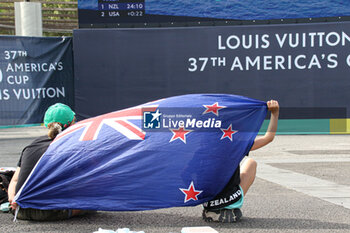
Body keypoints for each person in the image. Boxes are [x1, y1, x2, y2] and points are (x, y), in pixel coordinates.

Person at [202, 100, 279, 223]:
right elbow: (268, 137)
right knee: (251, 162)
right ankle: (230, 208)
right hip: (233, 199)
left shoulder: (201, 147)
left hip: (209, 201)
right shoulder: (237, 145)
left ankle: (212, 209)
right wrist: (275, 114)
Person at [7, 103, 84, 221]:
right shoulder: (72, 146)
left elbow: (15, 180)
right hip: (52, 212)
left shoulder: (32, 146)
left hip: (20, 210)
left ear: (46, 124)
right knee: (89, 204)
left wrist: (13, 200)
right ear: (71, 124)